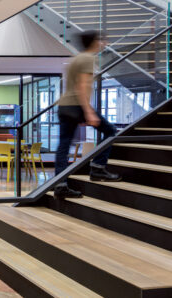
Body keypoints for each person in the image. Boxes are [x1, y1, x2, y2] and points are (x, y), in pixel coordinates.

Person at [54, 30, 120, 199]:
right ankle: (98, 167)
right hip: (76, 105)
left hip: (64, 106)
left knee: (63, 145)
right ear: (94, 42)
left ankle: (60, 185)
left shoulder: (76, 58)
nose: (104, 43)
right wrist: (88, 111)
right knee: (110, 130)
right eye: (102, 40)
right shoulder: (88, 58)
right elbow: (82, 87)